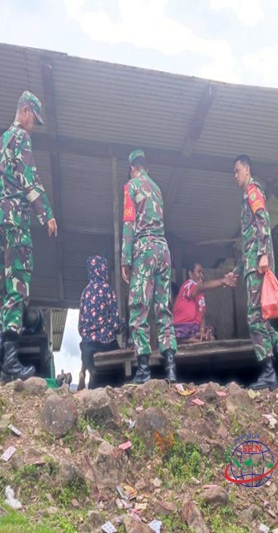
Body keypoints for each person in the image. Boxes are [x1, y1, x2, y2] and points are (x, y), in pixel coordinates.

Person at [0, 90, 58, 383]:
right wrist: (46, 214)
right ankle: (11, 361)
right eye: (33, 119)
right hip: (15, 219)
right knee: (19, 287)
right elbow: (29, 178)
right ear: (24, 111)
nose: (33, 126)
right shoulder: (21, 138)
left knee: (8, 288)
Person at [232, 154, 278, 390]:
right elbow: (249, 238)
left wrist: (263, 254)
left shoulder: (253, 191)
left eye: (237, 171)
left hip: (258, 264)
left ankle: (269, 372)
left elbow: (263, 221)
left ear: (247, 169)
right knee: (261, 317)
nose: (235, 176)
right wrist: (238, 270)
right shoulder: (246, 195)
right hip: (252, 263)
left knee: (254, 317)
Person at [121, 149, 177, 384]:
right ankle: (170, 367)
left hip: (144, 249)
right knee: (163, 308)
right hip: (163, 250)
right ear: (146, 167)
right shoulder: (157, 189)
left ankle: (143, 369)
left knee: (139, 306)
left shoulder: (131, 186)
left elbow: (129, 223)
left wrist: (125, 259)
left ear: (132, 168)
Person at [78, 255, 124, 390]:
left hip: (88, 348)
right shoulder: (107, 290)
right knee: (120, 365)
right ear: (103, 270)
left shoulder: (85, 292)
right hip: (106, 345)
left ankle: (84, 372)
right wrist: (123, 326)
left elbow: (80, 327)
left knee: (86, 346)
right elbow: (115, 325)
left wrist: (89, 335)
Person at [172, 262, 237, 343]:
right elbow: (202, 287)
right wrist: (222, 281)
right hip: (183, 326)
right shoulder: (188, 285)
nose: (201, 275)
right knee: (176, 334)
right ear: (191, 274)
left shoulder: (201, 294)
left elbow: (202, 316)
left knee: (211, 335)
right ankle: (191, 340)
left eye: (202, 273)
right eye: (199, 272)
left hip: (195, 328)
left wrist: (202, 332)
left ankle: (197, 338)